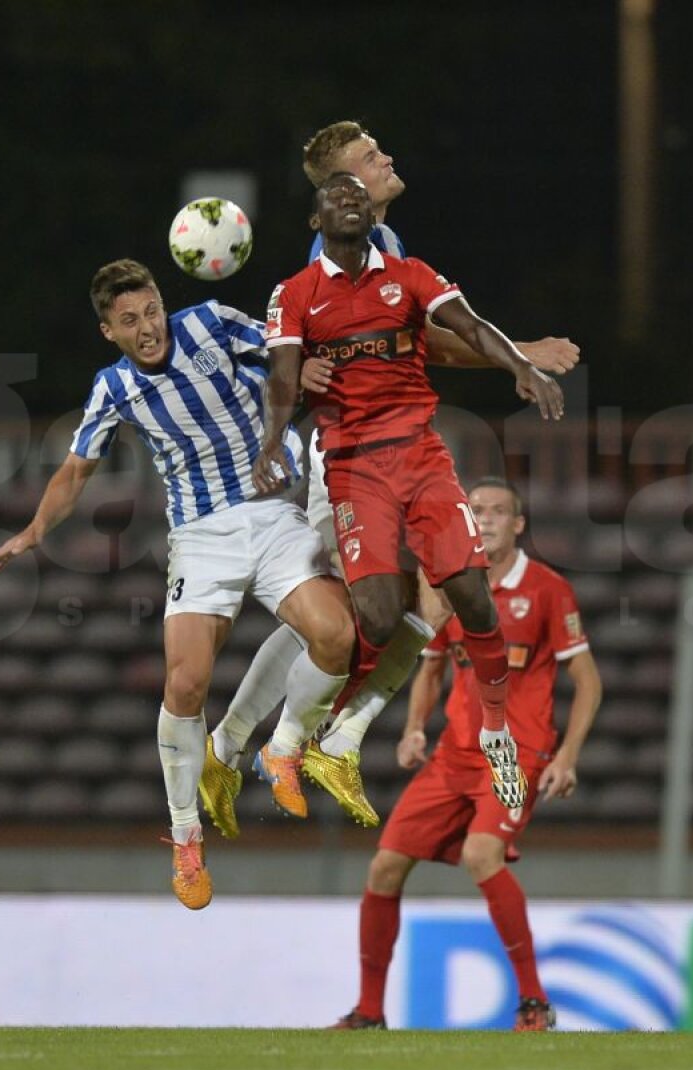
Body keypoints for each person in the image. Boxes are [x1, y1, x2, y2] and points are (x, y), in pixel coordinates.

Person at [200, 121, 579, 836]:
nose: (385, 160)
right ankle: (255, 741)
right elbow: (425, 345)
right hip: (348, 455)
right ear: (335, 191)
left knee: (421, 604)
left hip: (405, 450)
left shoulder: (391, 251)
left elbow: (417, 335)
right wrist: (520, 354)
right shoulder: (326, 264)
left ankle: (323, 737)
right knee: (342, 618)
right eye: (369, 158)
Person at [0, 259, 355, 911]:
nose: (147, 327)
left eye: (151, 310)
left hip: (272, 512)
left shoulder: (211, 323)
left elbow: (283, 348)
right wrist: (35, 530)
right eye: (129, 320)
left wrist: (308, 367)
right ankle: (185, 836)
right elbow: (75, 471)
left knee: (337, 635)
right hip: (202, 534)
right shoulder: (113, 388)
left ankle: (282, 747)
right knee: (185, 683)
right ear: (109, 331)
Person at [330, 477, 602, 1032]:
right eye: (476, 509)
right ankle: (369, 1011)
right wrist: (413, 729)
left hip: (515, 756)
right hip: (454, 755)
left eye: (498, 511)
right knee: (384, 866)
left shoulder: (547, 590)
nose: (486, 518)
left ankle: (534, 1003)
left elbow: (589, 681)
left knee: (482, 854)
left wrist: (566, 756)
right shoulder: (450, 586)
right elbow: (431, 667)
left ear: (518, 525)